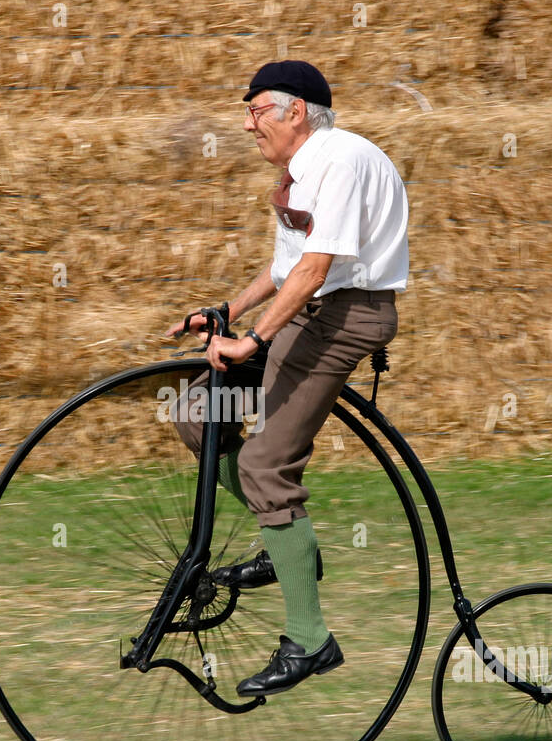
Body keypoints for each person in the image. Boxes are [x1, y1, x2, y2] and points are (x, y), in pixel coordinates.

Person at [166, 60, 409, 697]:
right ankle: (290, 547)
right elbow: (284, 271)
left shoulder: (340, 160)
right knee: (197, 414)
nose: (247, 124)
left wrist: (254, 340)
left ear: (293, 111)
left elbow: (317, 267)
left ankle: (310, 640)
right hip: (308, 311)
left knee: (264, 466)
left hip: (344, 318)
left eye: (254, 111)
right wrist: (227, 312)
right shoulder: (299, 171)